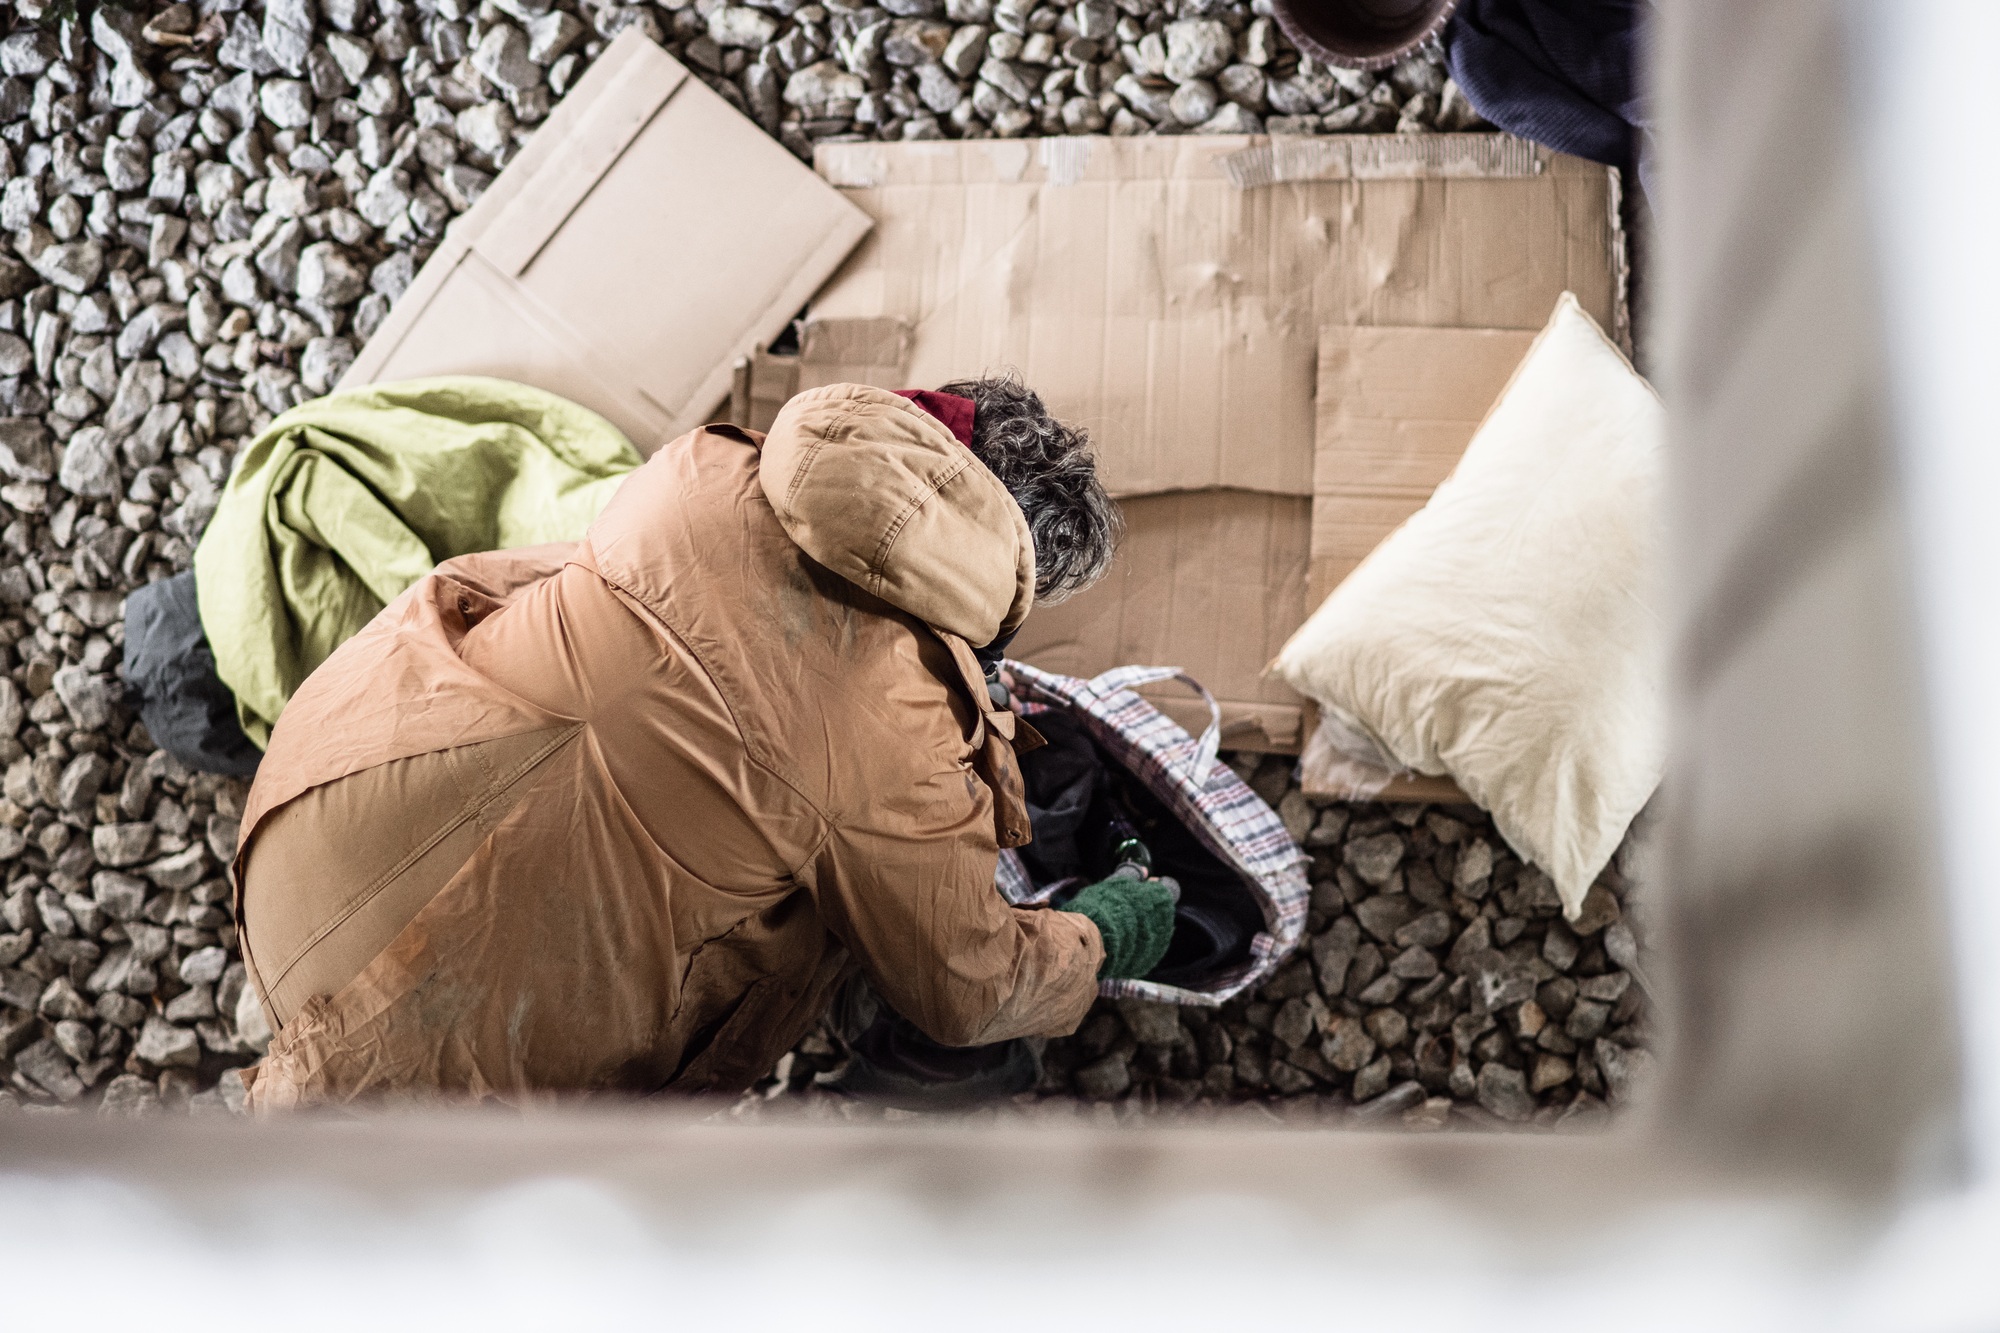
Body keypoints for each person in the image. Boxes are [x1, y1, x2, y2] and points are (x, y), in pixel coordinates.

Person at [228, 378, 1178, 1108]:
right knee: (852, 907)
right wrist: (1102, 933)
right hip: (426, 1035)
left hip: (310, 823)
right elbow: (970, 988)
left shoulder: (707, 466)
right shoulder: (902, 739)